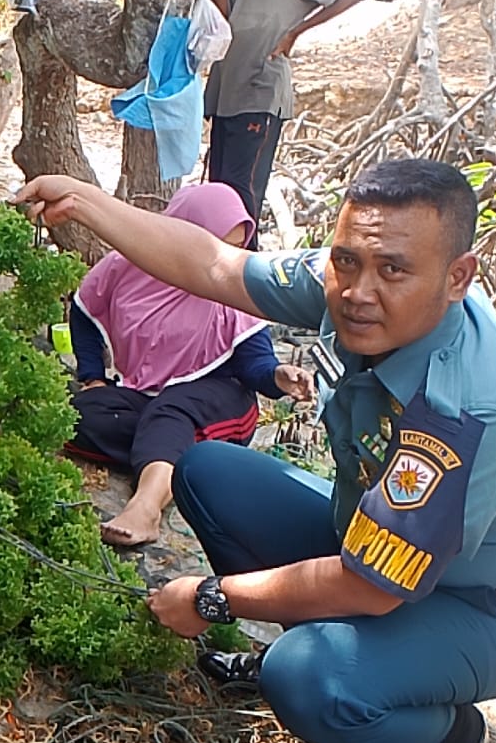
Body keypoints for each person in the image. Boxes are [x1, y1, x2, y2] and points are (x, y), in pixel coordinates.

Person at [14, 159, 496, 743]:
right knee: (207, 472)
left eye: (392, 270)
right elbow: (216, 265)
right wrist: (88, 201)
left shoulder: (467, 407)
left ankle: (440, 739)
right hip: (365, 539)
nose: (358, 291)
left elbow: (370, 586)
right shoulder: (349, 280)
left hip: (486, 606)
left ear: (457, 277)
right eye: (346, 260)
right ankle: (348, 656)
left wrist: (211, 597)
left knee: (303, 676)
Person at [65, 182, 313, 548]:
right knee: (78, 415)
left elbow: (254, 364)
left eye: (234, 246)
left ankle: (146, 507)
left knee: (171, 411)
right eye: (212, 244)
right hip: (145, 393)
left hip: (220, 396)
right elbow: (85, 312)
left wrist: (279, 376)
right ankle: (166, 457)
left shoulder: (231, 281)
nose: (222, 256)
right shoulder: (125, 265)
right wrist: (92, 377)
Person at [204, 0, 366, 245]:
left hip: (260, 88)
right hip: (227, 88)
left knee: (242, 191)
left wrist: (294, 33)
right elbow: (221, 21)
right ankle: (216, 273)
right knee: (218, 191)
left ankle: (242, 271)